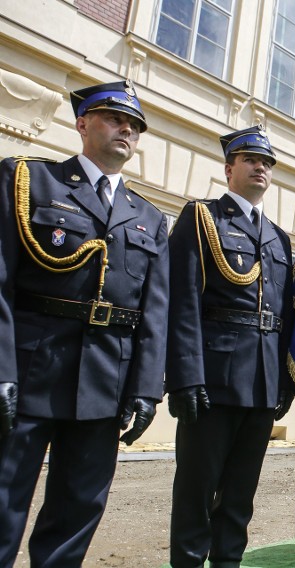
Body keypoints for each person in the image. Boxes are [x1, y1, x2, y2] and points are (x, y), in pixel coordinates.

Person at [0, 80, 168, 566]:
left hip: (103, 381)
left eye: (134, 126)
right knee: (4, 499)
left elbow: (153, 312)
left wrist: (145, 388)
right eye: (115, 119)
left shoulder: (149, 218)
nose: (126, 130)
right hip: (30, 370)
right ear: (81, 123)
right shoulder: (29, 181)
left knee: (77, 511)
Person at [166, 125, 295, 568]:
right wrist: (185, 376)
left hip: (262, 382)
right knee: (196, 491)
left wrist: (285, 384)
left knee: (240, 495)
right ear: (229, 169)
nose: (261, 167)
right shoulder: (202, 217)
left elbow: (285, 317)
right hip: (214, 378)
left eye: (267, 163)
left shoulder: (279, 238)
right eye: (250, 160)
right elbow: (181, 301)